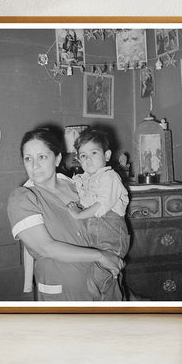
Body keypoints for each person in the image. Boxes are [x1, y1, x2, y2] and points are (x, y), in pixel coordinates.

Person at [7, 127, 123, 301]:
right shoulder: (23, 198)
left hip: (105, 286)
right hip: (65, 292)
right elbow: (45, 247)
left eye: (42, 157)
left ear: (57, 158)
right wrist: (100, 256)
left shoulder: (78, 186)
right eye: (28, 158)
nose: (34, 165)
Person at [66, 128, 130, 300]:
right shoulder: (85, 179)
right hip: (95, 241)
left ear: (107, 155)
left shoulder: (110, 177)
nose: (89, 159)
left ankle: (104, 311)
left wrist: (78, 215)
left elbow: (101, 205)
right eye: (83, 156)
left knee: (96, 281)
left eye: (94, 152)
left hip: (111, 238)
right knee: (107, 282)